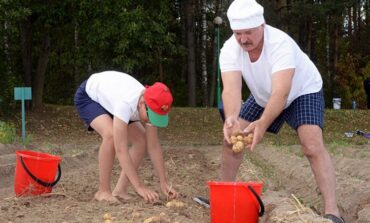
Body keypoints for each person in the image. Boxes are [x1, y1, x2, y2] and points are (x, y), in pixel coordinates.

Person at [219, 0, 344, 222]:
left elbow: (281, 94)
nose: (243, 39)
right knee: (232, 139)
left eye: (248, 32)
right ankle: (223, 196)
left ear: (262, 25)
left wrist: (262, 124)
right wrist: (231, 117)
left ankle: (332, 211)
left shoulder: (280, 44)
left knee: (312, 144)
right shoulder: (230, 49)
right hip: (263, 96)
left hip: (301, 91)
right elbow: (230, 89)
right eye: (238, 33)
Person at [74, 71, 178, 203]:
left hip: (113, 99)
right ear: (142, 103)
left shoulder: (151, 104)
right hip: (90, 97)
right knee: (111, 135)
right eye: (152, 117)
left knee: (141, 141)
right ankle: (103, 191)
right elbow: (121, 150)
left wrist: (164, 182)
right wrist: (139, 187)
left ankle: (120, 190)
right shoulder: (126, 103)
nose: (152, 121)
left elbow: (153, 146)